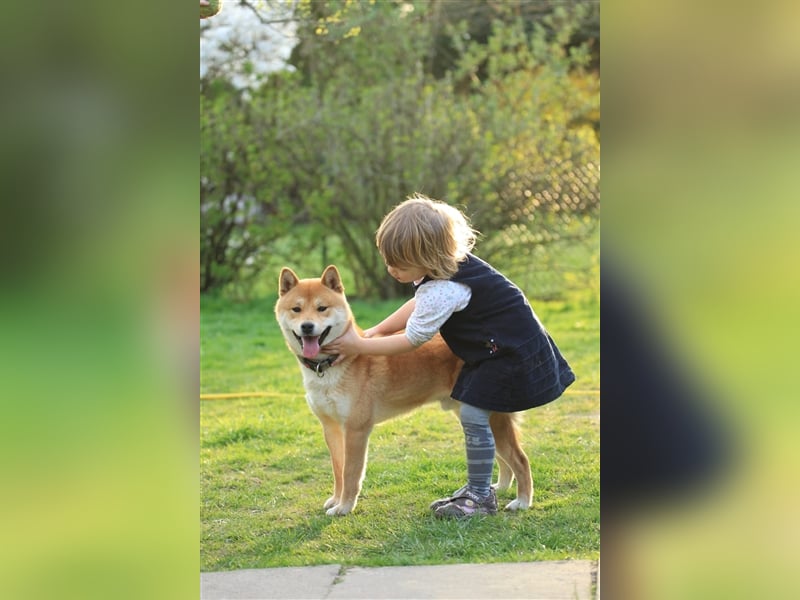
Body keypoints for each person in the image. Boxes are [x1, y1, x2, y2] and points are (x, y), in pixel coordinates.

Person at [322, 194, 576, 518]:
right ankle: (485, 488)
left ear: (427, 256)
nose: (391, 269)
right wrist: (373, 332)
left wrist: (358, 346)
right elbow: (416, 304)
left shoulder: (447, 288)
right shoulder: (443, 270)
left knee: (473, 415)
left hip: (511, 356)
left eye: (399, 263)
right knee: (475, 416)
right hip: (492, 352)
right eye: (388, 260)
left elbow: (413, 338)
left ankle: (487, 496)